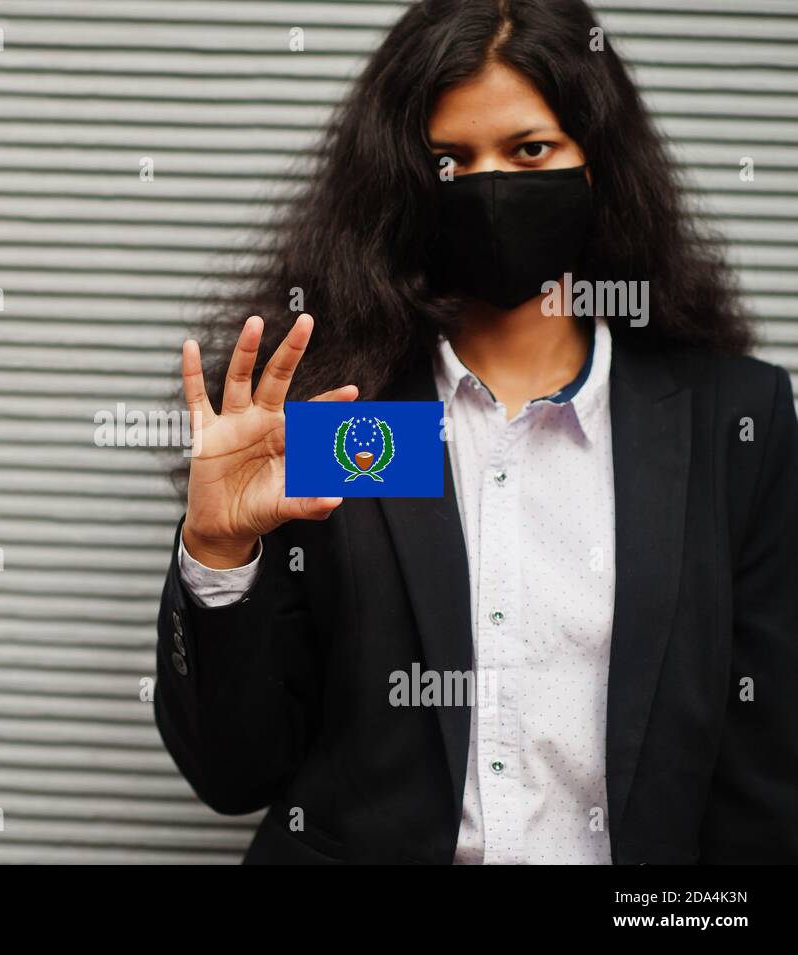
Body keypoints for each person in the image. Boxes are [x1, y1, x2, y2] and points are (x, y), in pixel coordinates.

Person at [154, 0, 798, 864]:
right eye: (449, 159)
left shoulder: (731, 423)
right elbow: (235, 772)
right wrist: (219, 553)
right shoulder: (350, 418)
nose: (488, 186)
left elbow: (760, 787)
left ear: (597, 162)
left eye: (529, 151)